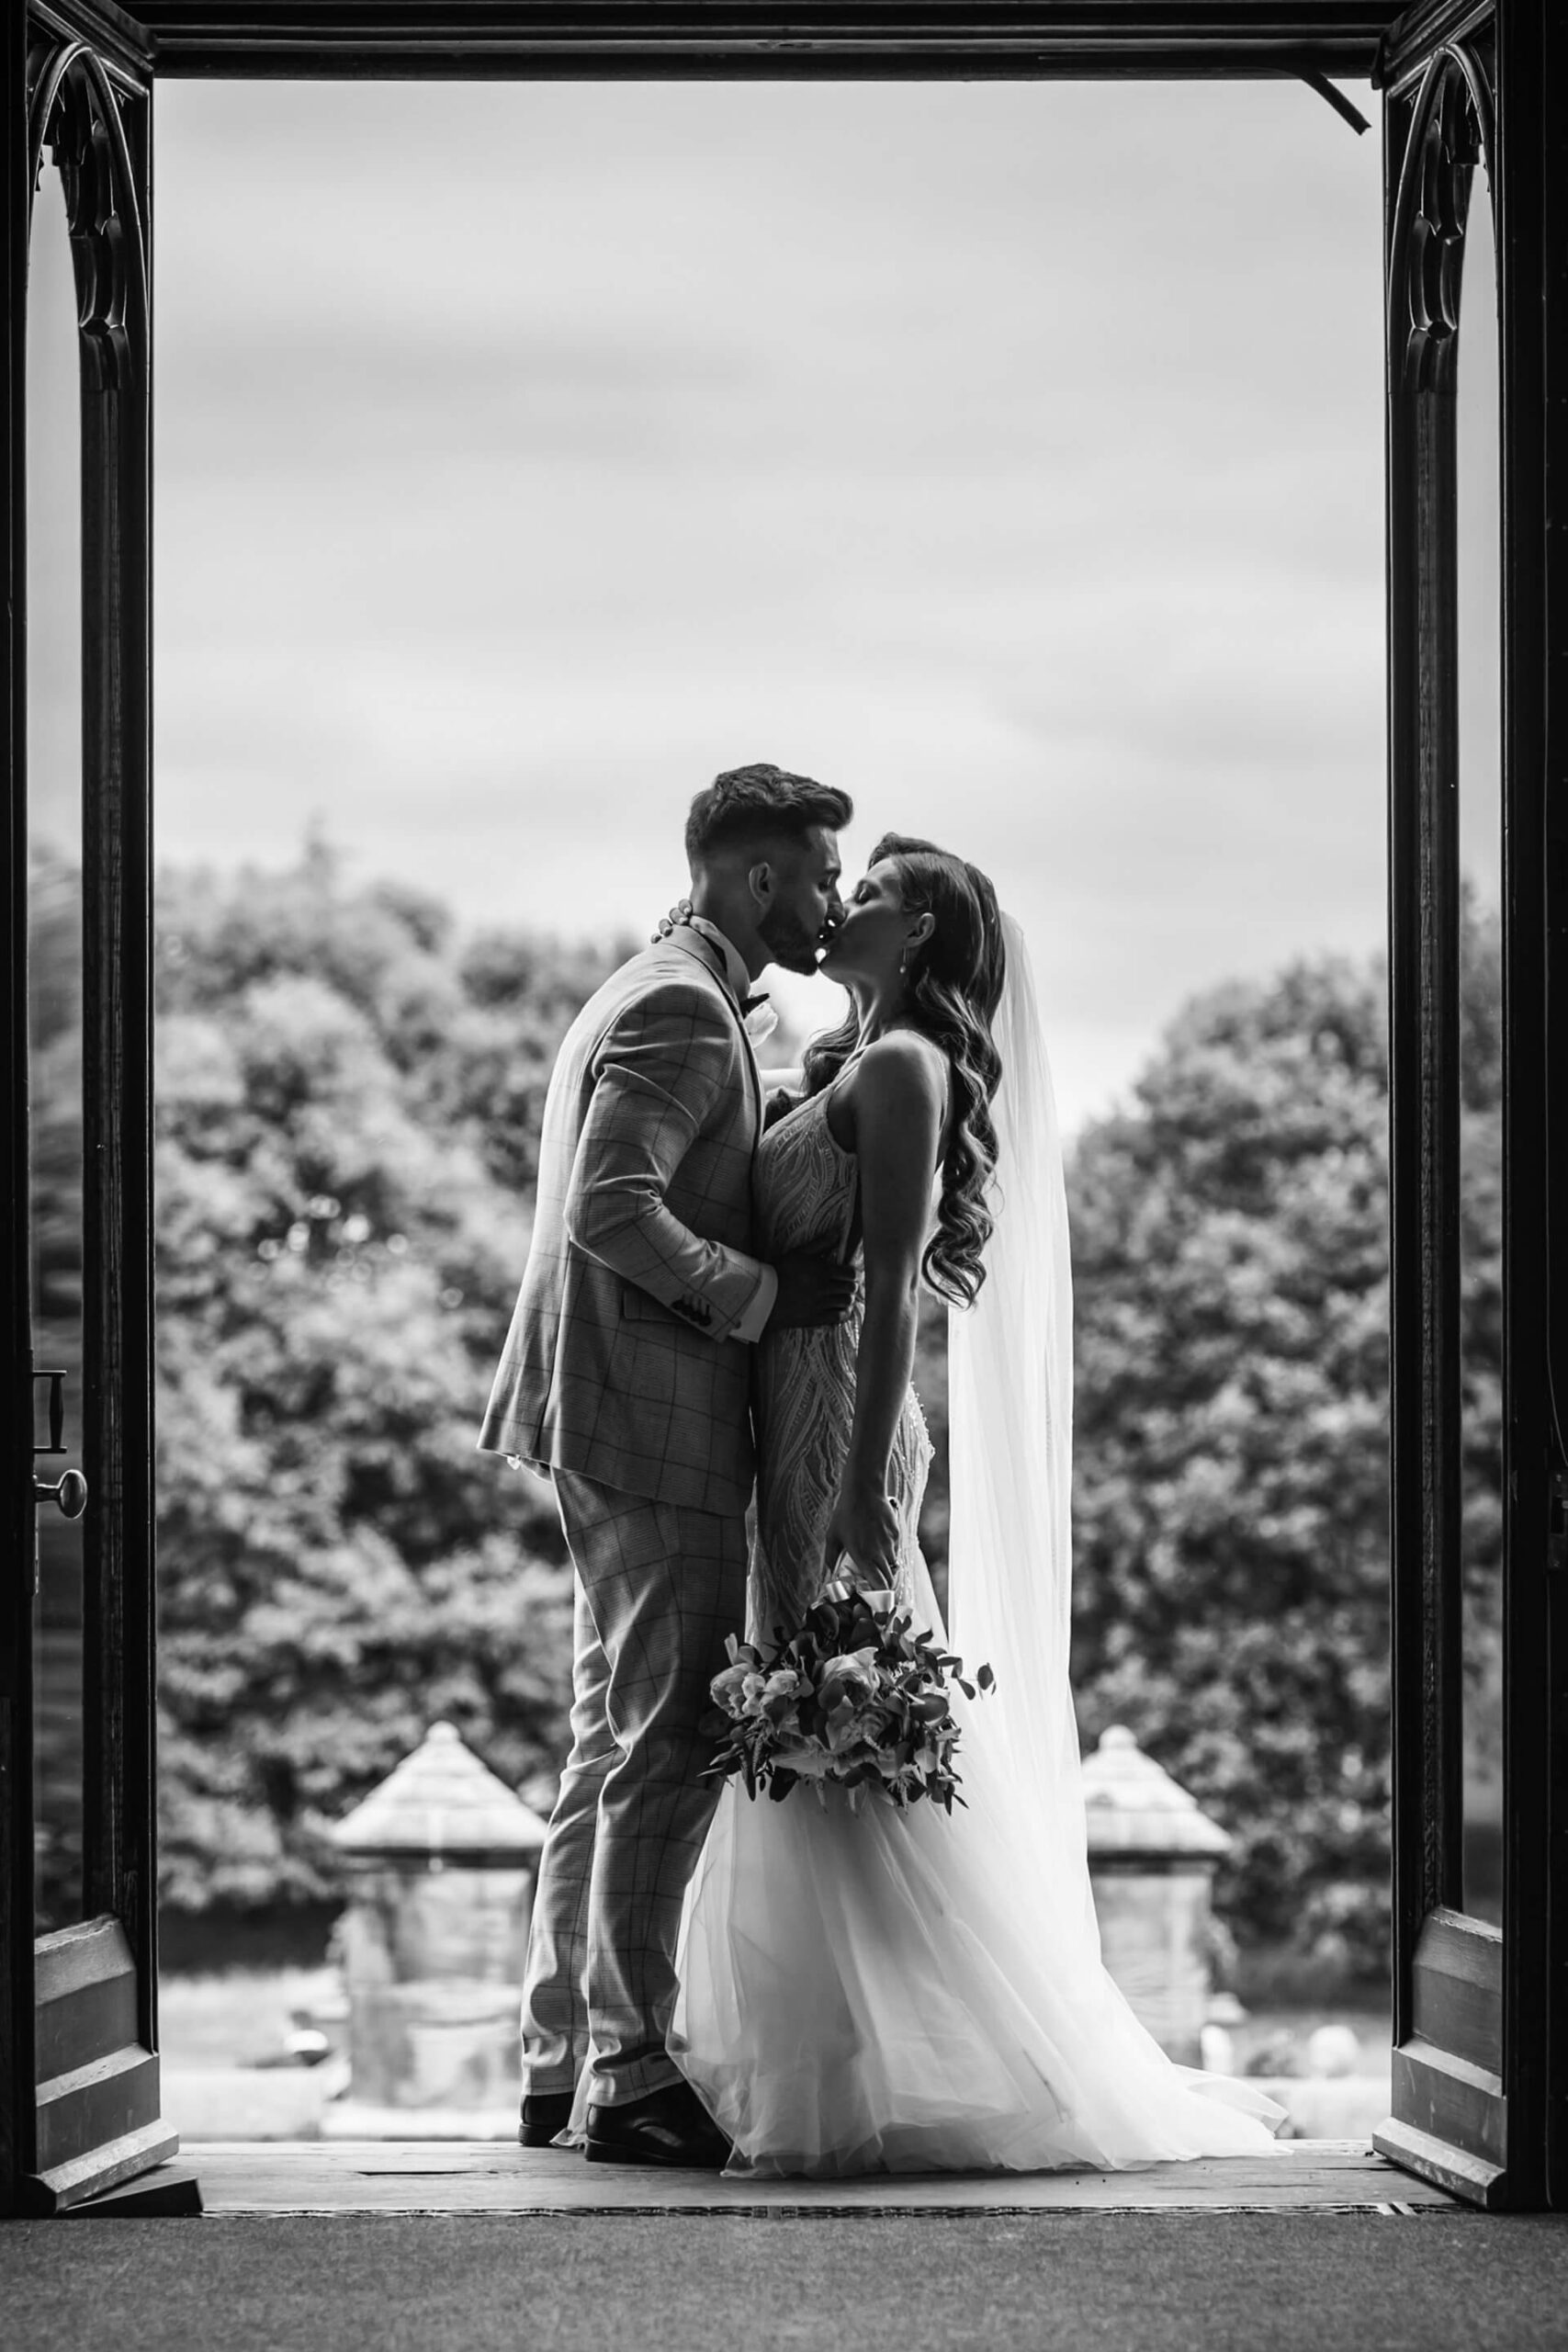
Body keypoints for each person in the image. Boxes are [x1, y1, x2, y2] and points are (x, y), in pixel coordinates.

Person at [671, 833, 1285, 2176]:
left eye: (871, 897)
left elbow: (893, 1290)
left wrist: (848, 1495)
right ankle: (857, 2055)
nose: (843, 908)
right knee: (833, 1735)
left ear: (923, 940)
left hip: (841, 1415)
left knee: (853, 1733)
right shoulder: (849, 1057)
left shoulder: (903, 1068)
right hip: (797, 1411)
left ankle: (955, 2062)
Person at [479, 763, 856, 2170]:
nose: (832, 898)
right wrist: (760, 1298)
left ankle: (561, 2057)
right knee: (670, 1737)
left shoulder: (656, 987)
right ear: (759, 879)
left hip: (614, 1413)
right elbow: (611, 1210)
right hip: (654, 1418)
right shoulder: (683, 1011)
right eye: (822, 875)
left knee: (607, 1739)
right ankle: (632, 2072)